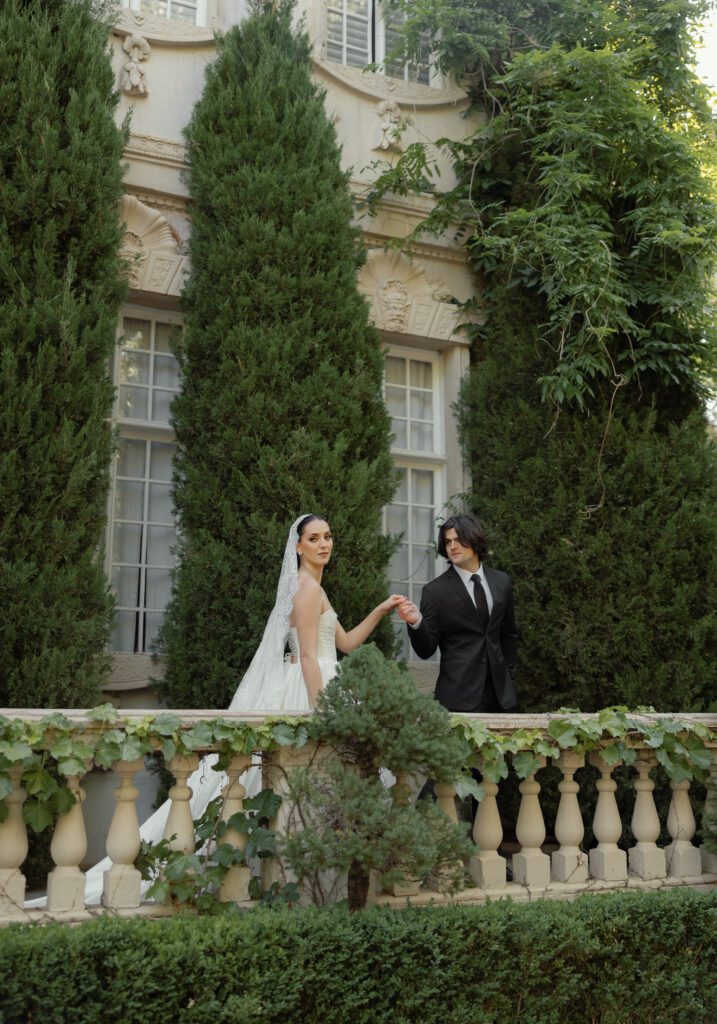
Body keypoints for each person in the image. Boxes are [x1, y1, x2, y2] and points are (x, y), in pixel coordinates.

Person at [30, 513, 401, 907]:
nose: (324, 544)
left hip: (324, 679)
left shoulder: (314, 588)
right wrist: (322, 714)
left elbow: (344, 644)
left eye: (328, 536)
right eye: (314, 538)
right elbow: (308, 656)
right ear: (298, 546)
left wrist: (381, 610)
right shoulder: (306, 590)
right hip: (313, 689)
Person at [397, 513, 518, 713]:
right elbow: (426, 650)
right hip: (459, 697)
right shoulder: (435, 591)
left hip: (501, 696)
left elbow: (509, 635)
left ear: (474, 539)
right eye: (448, 541)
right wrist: (416, 622)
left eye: (458, 540)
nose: (452, 546)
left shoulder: (501, 582)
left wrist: (509, 677)